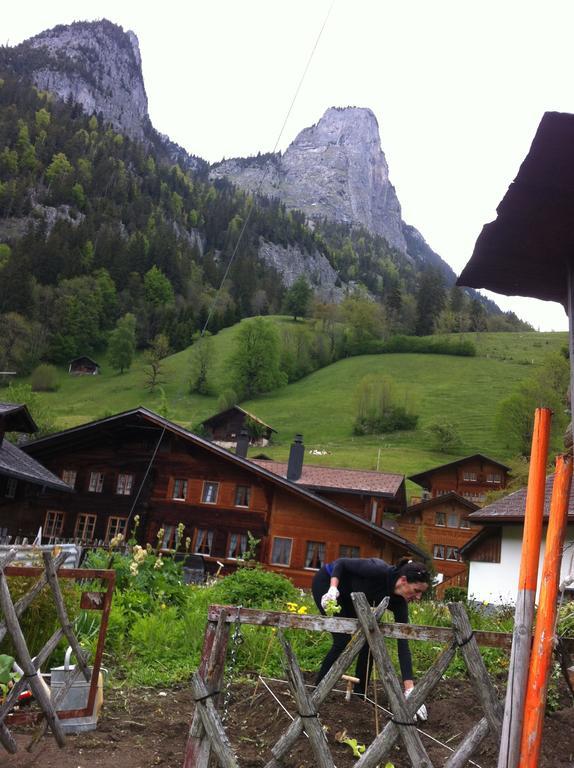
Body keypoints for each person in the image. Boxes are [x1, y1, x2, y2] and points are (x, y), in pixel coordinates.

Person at [312, 556, 430, 717]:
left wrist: (409, 689)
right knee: (342, 640)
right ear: (403, 580)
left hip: (352, 597)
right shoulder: (377, 570)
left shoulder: (399, 603)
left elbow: (403, 644)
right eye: (417, 591)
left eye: (421, 593)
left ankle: (360, 696)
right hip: (329, 584)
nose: (418, 597)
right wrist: (333, 589)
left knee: (368, 641)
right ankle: (317, 692)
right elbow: (341, 563)